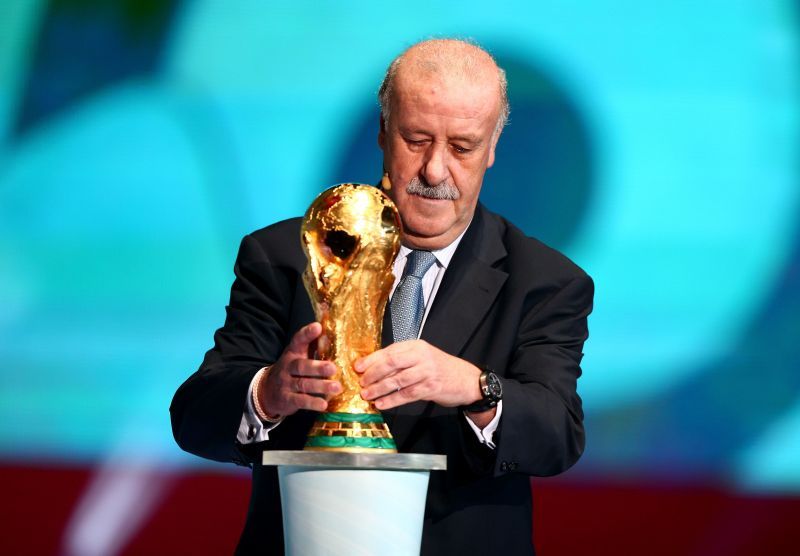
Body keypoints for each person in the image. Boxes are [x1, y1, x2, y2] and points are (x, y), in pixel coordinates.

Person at [171, 38, 593, 555]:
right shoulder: (288, 253)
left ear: (492, 149)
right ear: (382, 132)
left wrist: (476, 388)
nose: (435, 171)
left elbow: (557, 436)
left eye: (462, 147)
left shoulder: (545, 280)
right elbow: (194, 417)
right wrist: (268, 394)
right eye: (416, 140)